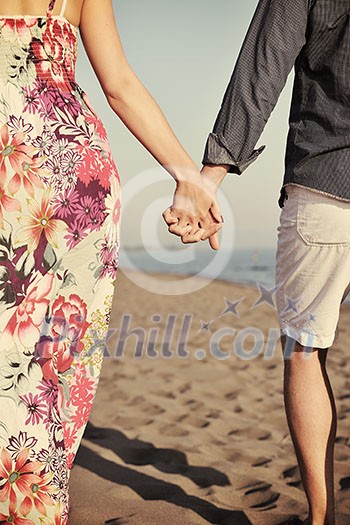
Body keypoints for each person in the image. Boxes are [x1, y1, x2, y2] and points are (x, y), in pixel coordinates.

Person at [0, 0, 223, 522]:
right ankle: (35, 500)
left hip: (12, 167)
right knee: (58, 358)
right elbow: (118, 83)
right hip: (79, 172)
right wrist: (189, 177)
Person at [164, 1, 350, 524]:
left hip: (327, 184)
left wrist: (208, 179)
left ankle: (321, 519)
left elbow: (263, 66)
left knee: (306, 350)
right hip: (325, 186)